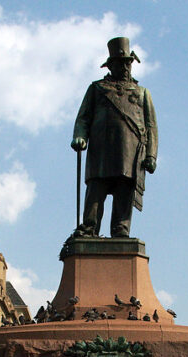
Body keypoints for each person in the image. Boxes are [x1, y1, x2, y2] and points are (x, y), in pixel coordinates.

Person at [71, 37, 158, 238]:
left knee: (124, 190)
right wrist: (80, 136)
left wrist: (151, 155)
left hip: (129, 153)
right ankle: (89, 228)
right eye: (121, 63)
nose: (125, 67)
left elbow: (151, 126)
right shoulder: (97, 89)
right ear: (111, 66)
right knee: (96, 191)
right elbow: (83, 118)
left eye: (128, 63)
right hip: (101, 151)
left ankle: (121, 229)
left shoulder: (142, 93)